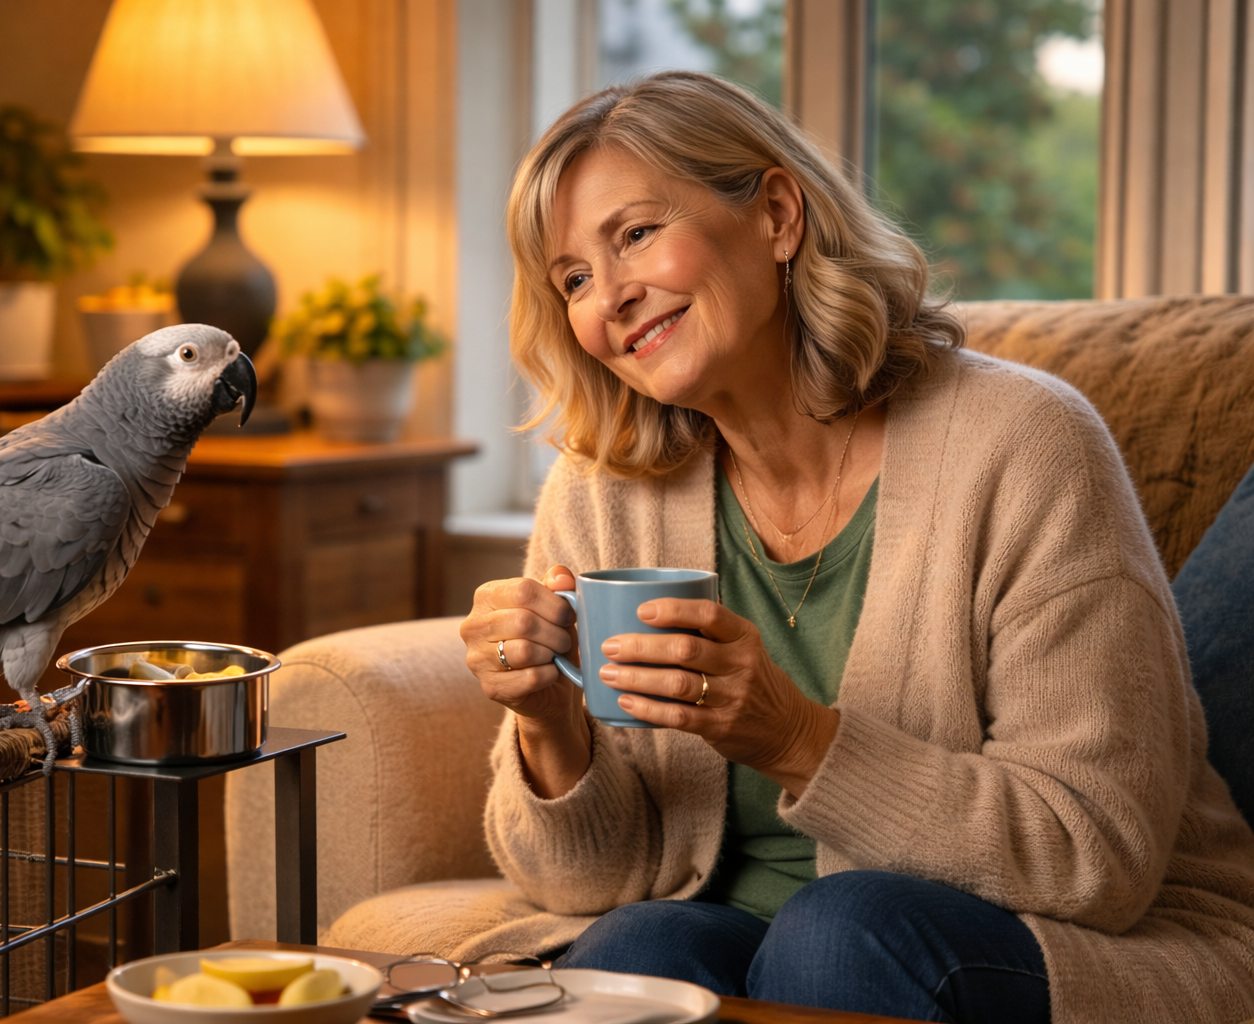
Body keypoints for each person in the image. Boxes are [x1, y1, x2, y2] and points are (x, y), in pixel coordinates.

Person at [458, 71, 1254, 1024]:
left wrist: (796, 739)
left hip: (1061, 942)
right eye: (574, 280)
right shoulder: (603, 489)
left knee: (842, 930)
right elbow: (587, 885)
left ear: (779, 214)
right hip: (748, 934)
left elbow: (1097, 856)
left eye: (635, 234)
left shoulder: (1026, 445)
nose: (612, 297)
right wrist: (550, 722)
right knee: (636, 948)